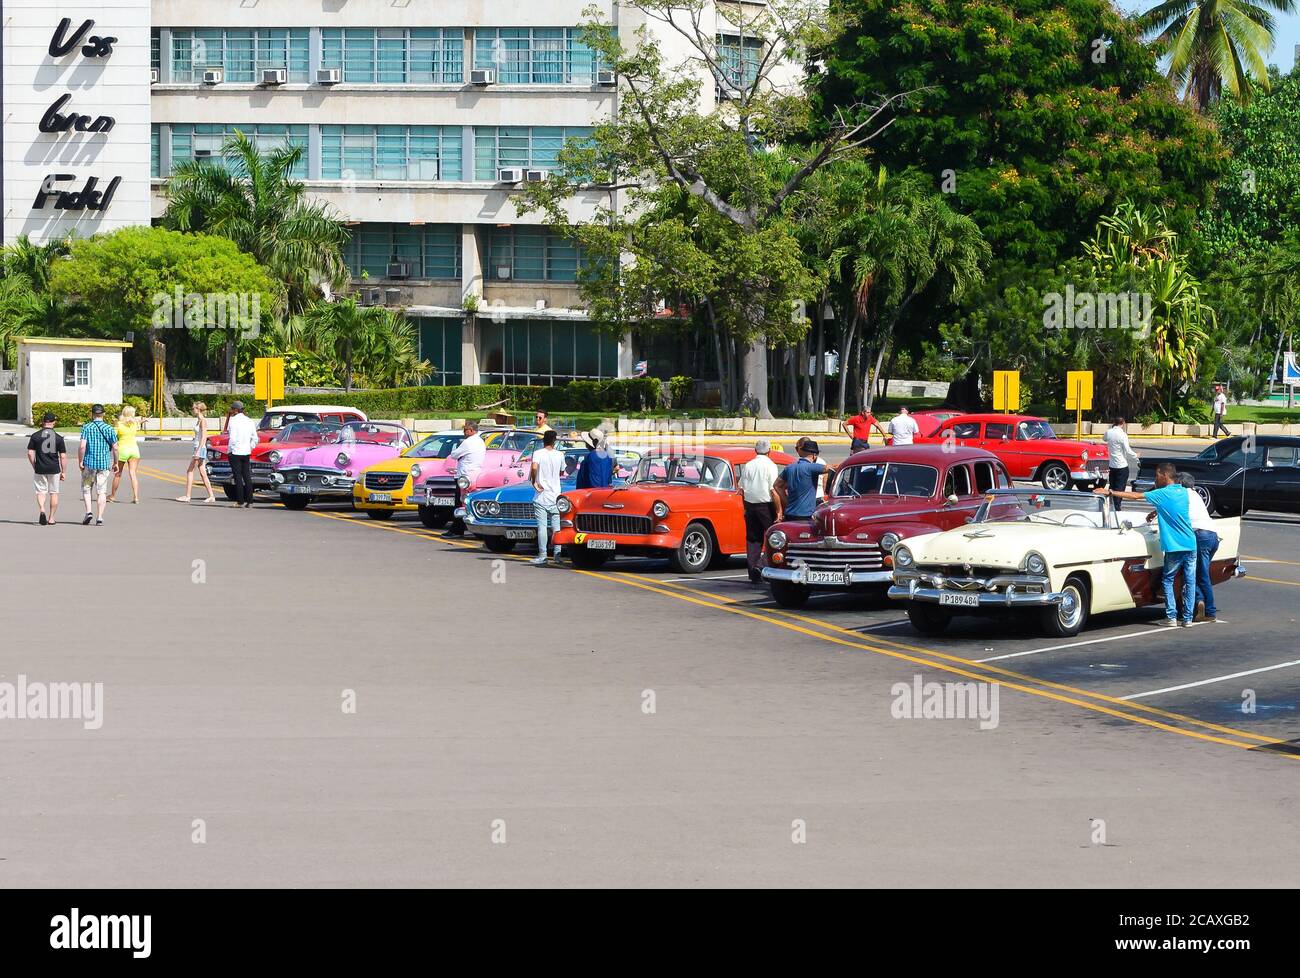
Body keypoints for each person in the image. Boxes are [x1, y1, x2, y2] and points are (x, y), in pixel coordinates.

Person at [1098, 461, 1196, 626]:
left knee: (1168, 580)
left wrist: (1111, 491)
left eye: (1157, 475)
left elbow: (1136, 496)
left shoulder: (1162, 493)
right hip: (1190, 543)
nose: (1156, 479)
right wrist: (1156, 512)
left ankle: (1171, 617)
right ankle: (1187, 618)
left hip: (1174, 546)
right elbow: (1174, 508)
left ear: (1165, 475)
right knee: (1190, 581)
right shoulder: (1183, 492)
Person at [1178, 474, 1220, 623]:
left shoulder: (1181, 495)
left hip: (1199, 535)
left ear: (1180, 483)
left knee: (1194, 572)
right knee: (1199, 572)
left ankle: (1208, 609)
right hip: (1212, 535)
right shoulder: (1196, 495)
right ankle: (1201, 603)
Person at [740, 439, 783, 584]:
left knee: (753, 539)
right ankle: (761, 565)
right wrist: (778, 512)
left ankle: (753, 571)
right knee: (772, 538)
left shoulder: (748, 465)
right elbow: (774, 491)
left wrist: (745, 507)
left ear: (755, 451)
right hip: (766, 505)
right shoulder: (770, 465)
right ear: (769, 451)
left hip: (750, 504)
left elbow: (742, 489)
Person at [529, 430, 566, 565]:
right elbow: (562, 471)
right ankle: (557, 554)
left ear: (544, 440)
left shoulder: (538, 453)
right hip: (556, 495)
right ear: (554, 441)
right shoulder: (560, 454)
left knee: (542, 527)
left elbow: (534, 467)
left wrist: (534, 481)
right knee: (556, 527)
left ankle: (543, 555)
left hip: (541, 495)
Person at [444, 420, 486, 537]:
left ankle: (457, 530)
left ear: (472, 431)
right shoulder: (480, 441)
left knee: (460, 504)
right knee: (469, 503)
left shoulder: (468, 442)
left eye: (466, 430)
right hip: (475, 475)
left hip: (465, 476)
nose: (464, 432)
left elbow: (454, 454)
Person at [78, 404, 118, 526]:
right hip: (104, 464)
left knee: (86, 488)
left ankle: (89, 512)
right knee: (101, 491)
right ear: (103, 414)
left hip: (89, 463)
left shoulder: (86, 427)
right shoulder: (109, 428)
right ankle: (100, 517)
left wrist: (81, 460)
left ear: (92, 414)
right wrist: (116, 462)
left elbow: (82, 446)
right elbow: (115, 448)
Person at [776, 439, 834, 522]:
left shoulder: (789, 468)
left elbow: (777, 485)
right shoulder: (811, 467)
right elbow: (829, 468)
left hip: (790, 513)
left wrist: (786, 500)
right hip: (806, 515)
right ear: (814, 455)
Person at [27, 411, 67, 526]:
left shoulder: (35, 436)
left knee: (41, 492)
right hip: (54, 468)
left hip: (40, 467)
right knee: (54, 493)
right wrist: (64, 471)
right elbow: (63, 456)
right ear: (54, 423)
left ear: (43, 422)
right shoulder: (59, 438)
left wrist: (34, 465)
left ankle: (42, 510)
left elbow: (30, 453)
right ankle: (51, 518)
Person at [177, 402, 217, 503]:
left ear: (198, 409)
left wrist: (198, 451)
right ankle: (211, 496)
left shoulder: (203, 421)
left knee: (190, 471)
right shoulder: (198, 420)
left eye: (193, 408)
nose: (192, 409)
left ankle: (188, 496)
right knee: (203, 473)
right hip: (199, 448)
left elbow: (204, 437)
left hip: (200, 449)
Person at [224, 401, 259, 509]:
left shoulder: (233, 421)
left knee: (238, 477)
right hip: (246, 452)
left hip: (235, 452)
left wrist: (229, 450)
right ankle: (250, 501)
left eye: (232, 409)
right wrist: (250, 447)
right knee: (247, 476)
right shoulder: (249, 420)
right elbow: (255, 438)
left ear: (235, 410)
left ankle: (240, 501)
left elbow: (232, 438)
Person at [1102, 417, 1141, 511]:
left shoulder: (1109, 432)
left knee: (1112, 486)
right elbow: (1127, 450)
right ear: (1122, 423)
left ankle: (1111, 506)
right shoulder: (1123, 434)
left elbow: (1104, 439)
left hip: (1112, 465)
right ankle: (1117, 507)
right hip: (1122, 466)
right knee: (1120, 488)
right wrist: (1136, 455)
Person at [109, 404, 143, 504]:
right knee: (133, 474)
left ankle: (112, 496)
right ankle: (136, 497)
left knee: (118, 474)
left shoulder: (119, 424)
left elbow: (112, 436)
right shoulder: (134, 424)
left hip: (122, 450)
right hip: (134, 450)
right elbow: (136, 421)